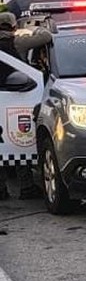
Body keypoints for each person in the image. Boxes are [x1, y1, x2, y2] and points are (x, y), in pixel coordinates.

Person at [0, 11, 52, 199]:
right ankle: (26, 187)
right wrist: (29, 28)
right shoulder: (16, 42)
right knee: (19, 144)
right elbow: (46, 36)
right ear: (13, 26)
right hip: (17, 99)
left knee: (2, 146)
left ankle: (2, 190)